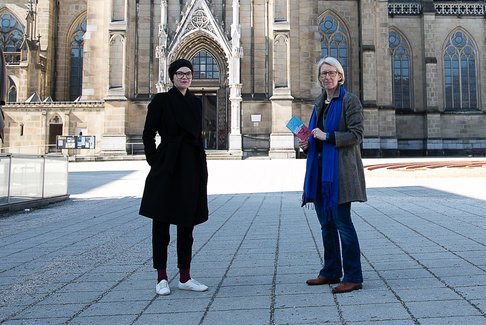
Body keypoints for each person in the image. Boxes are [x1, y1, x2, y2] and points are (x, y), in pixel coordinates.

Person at [139, 58, 209, 296]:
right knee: (161, 224)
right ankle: (161, 277)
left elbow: (197, 137)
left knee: (186, 225)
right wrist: (155, 161)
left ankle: (185, 276)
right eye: (180, 73)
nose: (184, 77)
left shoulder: (195, 102)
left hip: (190, 165)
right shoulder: (161, 100)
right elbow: (148, 134)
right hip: (167, 165)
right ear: (172, 76)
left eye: (188, 73)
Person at [300, 56, 367, 294]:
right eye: (323, 74)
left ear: (340, 76)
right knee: (326, 225)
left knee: (343, 224)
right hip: (320, 174)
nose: (327, 77)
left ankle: (353, 276)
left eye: (331, 73)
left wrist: (327, 137)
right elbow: (313, 136)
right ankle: (330, 271)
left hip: (340, 173)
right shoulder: (319, 102)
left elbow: (357, 135)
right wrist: (306, 144)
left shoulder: (350, 101)